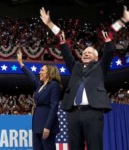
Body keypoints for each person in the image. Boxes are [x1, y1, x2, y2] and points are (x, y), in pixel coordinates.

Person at [40, 6, 129, 150]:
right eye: (84, 52)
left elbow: (108, 40)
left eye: (89, 52)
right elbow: (62, 40)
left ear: (96, 57)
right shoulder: (75, 67)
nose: (85, 53)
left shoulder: (100, 67)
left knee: (95, 146)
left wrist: (123, 20)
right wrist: (50, 23)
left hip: (93, 112)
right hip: (74, 113)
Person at [17, 50, 61, 150]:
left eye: (42, 70)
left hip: (46, 124)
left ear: (49, 73)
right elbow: (31, 77)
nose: (39, 72)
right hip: (37, 124)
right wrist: (21, 63)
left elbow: (54, 107)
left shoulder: (54, 85)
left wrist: (48, 126)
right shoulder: (40, 85)